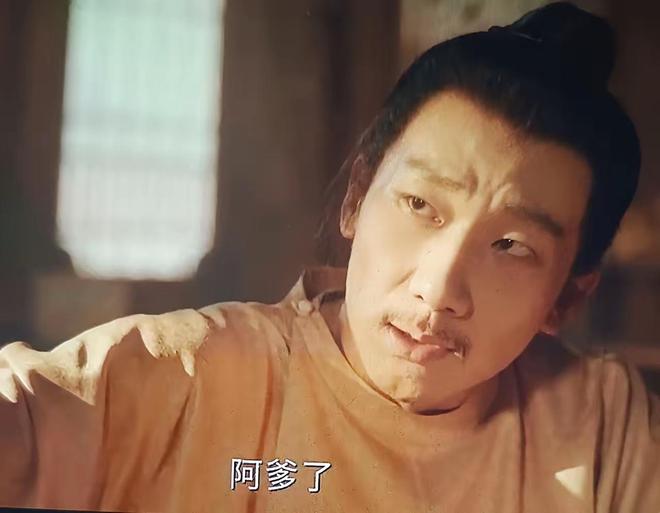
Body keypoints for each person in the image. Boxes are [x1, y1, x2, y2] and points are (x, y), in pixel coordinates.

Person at [1, 2, 658, 512]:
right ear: (356, 197)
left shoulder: (600, 424)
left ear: (568, 296)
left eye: (511, 246)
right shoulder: (192, 374)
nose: (438, 290)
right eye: (420, 205)